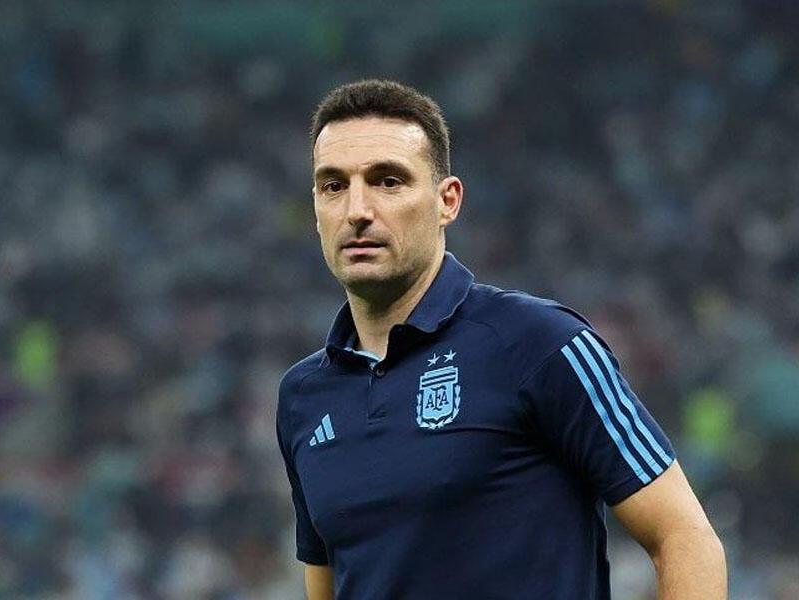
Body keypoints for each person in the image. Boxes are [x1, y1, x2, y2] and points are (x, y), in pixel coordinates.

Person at [276, 79, 727, 599]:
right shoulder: (303, 396)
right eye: (334, 186)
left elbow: (685, 538)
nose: (357, 209)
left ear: (447, 201)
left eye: (388, 181)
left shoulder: (540, 343)